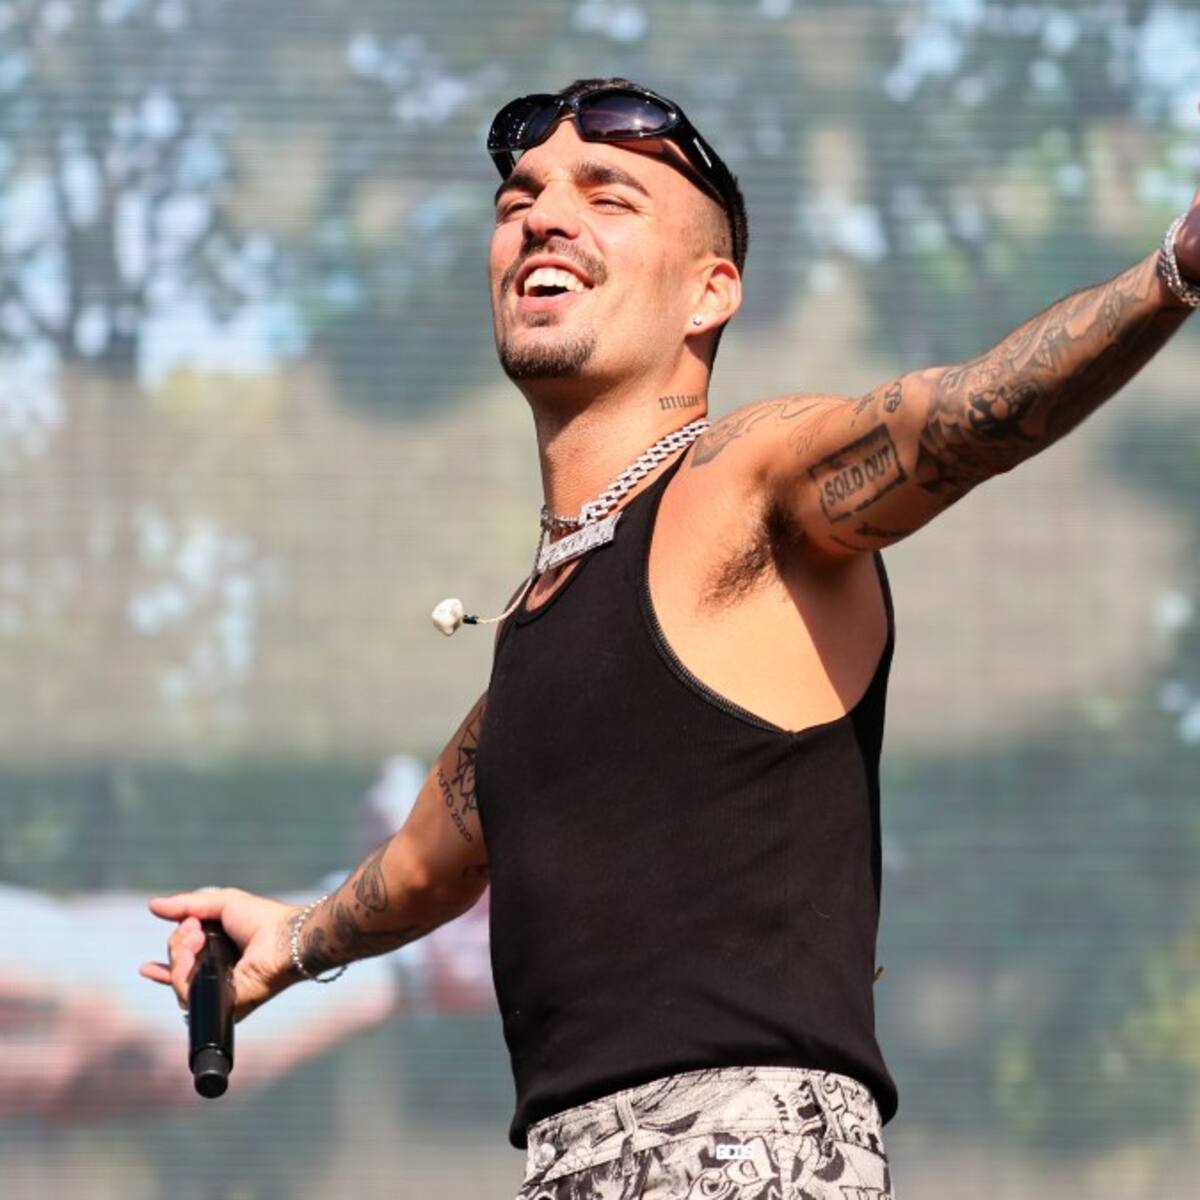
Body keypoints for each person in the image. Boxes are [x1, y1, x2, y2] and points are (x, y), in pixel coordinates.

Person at [141, 78, 1200, 1199]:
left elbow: (960, 416)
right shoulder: (543, 629)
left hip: (749, 1157)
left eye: (608, 197)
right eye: (519, 200)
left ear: (710, 292)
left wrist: (1173, 270)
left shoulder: (740, 484)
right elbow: (420, 867)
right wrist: (291, 944)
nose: (544, 218)